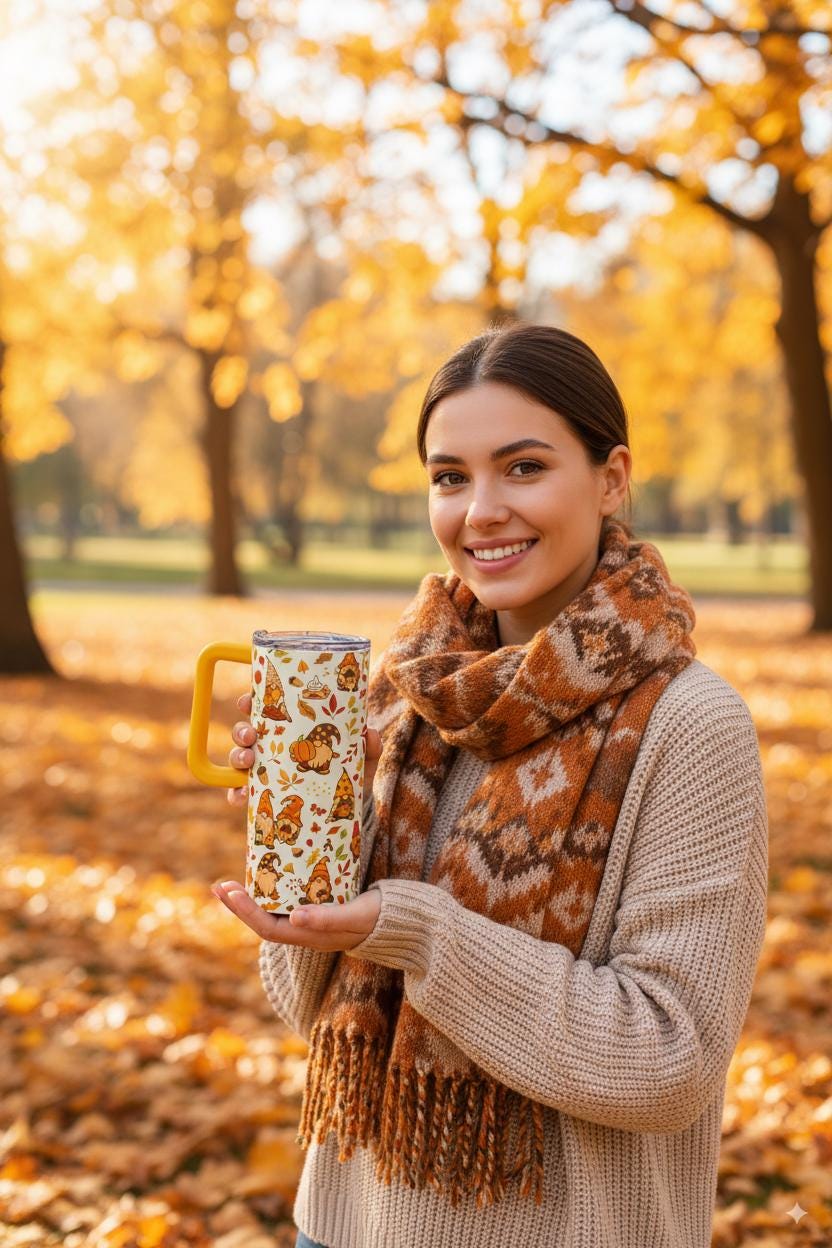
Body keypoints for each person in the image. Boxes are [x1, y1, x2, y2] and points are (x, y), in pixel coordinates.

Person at [211, 322, 768, 1248]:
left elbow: (670, 1057)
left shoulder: (690, 726)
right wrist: (319, 830)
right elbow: (310, 1006)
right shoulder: (406, 692)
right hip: (343, 1225)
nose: (480, 511)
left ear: (612, 479)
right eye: (450, 477)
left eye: (524, 467)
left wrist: (416, 932)